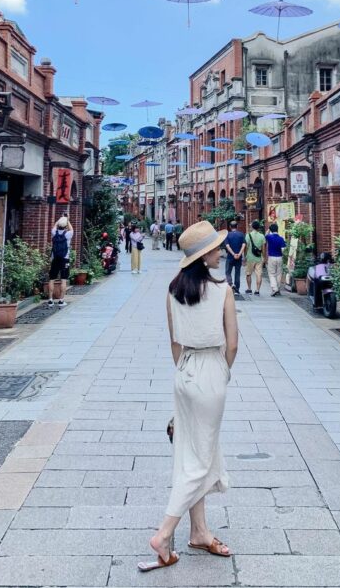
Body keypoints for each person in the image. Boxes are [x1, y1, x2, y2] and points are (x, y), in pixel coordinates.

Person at [140, 220, 238, 573]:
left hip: (184, 371)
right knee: (199, 459)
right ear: (203, 256)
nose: (220, 252)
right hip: (211, 369)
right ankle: (164, 533)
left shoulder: (172, 289)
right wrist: (221, 372)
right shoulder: (223, 289)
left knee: (193, 451)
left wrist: (186, 370)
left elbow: (174, 342)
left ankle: (200, 532)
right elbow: (233, 343)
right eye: (215, 248)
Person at [48, 215, 73, 307]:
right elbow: (71, 228)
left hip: (55, 258)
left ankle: (50, 300)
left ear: (58, 224)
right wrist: (67, 219)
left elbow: (54, 226)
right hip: (64, 258)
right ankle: (61, 300)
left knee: (51, 279)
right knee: (63, 280)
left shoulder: (54, 232)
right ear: (65, 226)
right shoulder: (68, 234)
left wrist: (59, 219)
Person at [244, 220, 266, 295]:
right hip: (258, 258)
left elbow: (246, 247)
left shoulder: (248, 235)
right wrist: (264, 257)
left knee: (248, 273)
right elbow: (263, 248)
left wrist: (245, 256)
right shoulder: (262, 236)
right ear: (258, 227)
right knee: (259, 274)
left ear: (252, 227)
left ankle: (249, 289)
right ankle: (257, 290)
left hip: (250, 257)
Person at [224, 219, 246, 294]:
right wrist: (239, 254)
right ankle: (237, 289)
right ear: (237, 226)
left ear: (230, 227)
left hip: (230, 257)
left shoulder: (228, 235)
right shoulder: (241, 234)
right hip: (238, 258)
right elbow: (243, 245)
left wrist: (233, 254)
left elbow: (227, 246)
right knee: (237, 273)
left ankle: (231, 284)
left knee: (228, 272)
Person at [265, 222, 287, 297]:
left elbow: (265, 235)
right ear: (278, 230)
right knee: (279, 274)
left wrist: (269, 229)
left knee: (271, 274)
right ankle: (278, 288)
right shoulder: (281, 238)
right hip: (279, 257)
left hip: (271, 257)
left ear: (271, 230)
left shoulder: (269, 237)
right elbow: (283, 249)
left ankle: (274, 288)